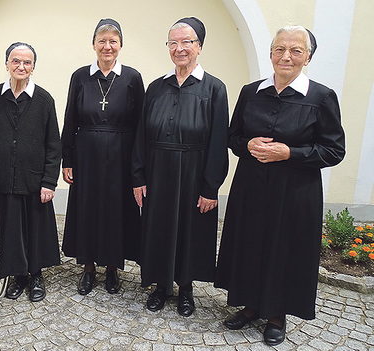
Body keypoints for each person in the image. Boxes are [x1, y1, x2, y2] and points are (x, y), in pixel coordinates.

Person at [214, 26, 345, 346]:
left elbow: (334, 150)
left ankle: (276, 315)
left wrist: (290, 153)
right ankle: (250, 305)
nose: (286, 56)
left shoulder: (322, 97)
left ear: (308, 57)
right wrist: (248, 145)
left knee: (282, 249)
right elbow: (232, 138)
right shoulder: (250, 92)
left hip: (295, 192)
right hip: (252, 187)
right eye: (279, 49)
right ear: (271, 53)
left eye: (296, 50)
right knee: (250, 244)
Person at [131, 17, 229, 316]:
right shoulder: (156, 87)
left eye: (186, 42)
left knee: (190, 231)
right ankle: (161, 285)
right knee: (158, 228)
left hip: (193, 171)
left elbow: (218, 141)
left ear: (199, 46)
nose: (179, 48)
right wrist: (138, 176)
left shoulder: (214, 89)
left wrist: (211, 186)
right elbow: (140, 136)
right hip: (158, 171)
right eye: (173, 43)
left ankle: (186, 289)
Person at [61, 18, 144, 295]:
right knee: (88, 209)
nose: (107, 46)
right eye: (102, 41)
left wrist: (137, 164)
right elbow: (70, 119)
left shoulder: (132, 77)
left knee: (116, 210)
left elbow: (139, 123)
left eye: (113, 41)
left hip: (121, 154)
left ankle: (112, 268)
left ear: (120, 45)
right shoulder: (80, 76)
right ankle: (88, 267)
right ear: (93, 45)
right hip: (86, 154)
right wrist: (68, 159)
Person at [0, 42, 61, 303]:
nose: (21, 66)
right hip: (4, 177)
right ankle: (18, 276)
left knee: (36, 229)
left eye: (27, 62)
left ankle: (36, 275)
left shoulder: (44, 100)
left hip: (35, 177)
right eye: (16, 61)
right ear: (7, 64)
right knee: (11, 230)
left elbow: (53, 144)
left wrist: (49, 181)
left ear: (33, 67)